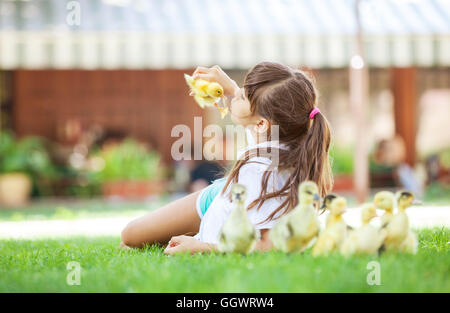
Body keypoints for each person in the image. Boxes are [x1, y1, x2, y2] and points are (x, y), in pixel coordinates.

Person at [121, 62, 333, 254]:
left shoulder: (262, 171)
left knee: (130, 237)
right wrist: (232, 89)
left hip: (231, 200)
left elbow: (269, 245)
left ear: (261, 124)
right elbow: (257, 120)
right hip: (222, 196)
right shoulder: (284, 138)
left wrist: (201, 247)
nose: (237, 93)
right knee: (133, 237)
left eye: (243, 95)